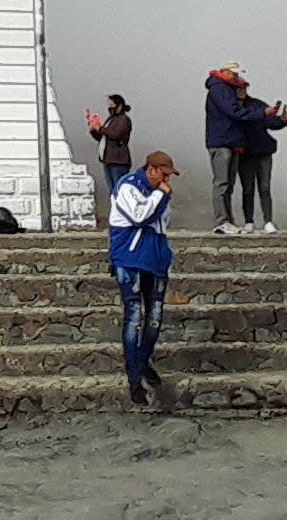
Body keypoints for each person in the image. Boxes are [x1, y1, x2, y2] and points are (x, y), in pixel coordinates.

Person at [109, 150, 178, 406]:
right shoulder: (128, 186)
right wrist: (161, 194)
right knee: (134, 316)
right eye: (163, 174)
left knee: (155, 318)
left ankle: (142, 360)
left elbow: (161, 224)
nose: (166, 180)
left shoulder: (161, 193)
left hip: (156, 260)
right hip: (130, 258)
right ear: (150, 169)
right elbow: (140, 216)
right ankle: (134, 377)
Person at [204, 62, 283, 234]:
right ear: (225, 72)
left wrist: (281, 119)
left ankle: (228, 221)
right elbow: (234, 112)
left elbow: (269, 122)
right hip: (223, 141)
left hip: (233, 143)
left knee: (231, 184)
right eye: (235, 75)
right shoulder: (219, 88)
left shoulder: (227, 90)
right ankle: (222, 221)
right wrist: (263, 113)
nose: (238, 79)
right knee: (223, 183)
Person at [232, 86, 287, 233]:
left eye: (244, 87)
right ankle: (249, 221)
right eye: (238, 87)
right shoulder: (230, 107)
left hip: (263, 151)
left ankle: (268, 221)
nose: (242, 90)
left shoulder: (256, 105)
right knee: (248, 189)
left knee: (264, 187)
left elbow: (271, 122)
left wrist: (284, 120)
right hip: (245, 153)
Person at [85, 95, 133, 224]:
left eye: (112, 106)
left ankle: (124, 217)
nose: (109, 108)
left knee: (120, 191)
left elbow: (115, 135)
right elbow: (103, 138)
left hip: (119, 161)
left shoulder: (123, 120)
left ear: (120, 106)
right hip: (108, 160)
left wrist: (99, 128)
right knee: (113, 192)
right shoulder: (111, 120)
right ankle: (117, 218)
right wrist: (93, 129)